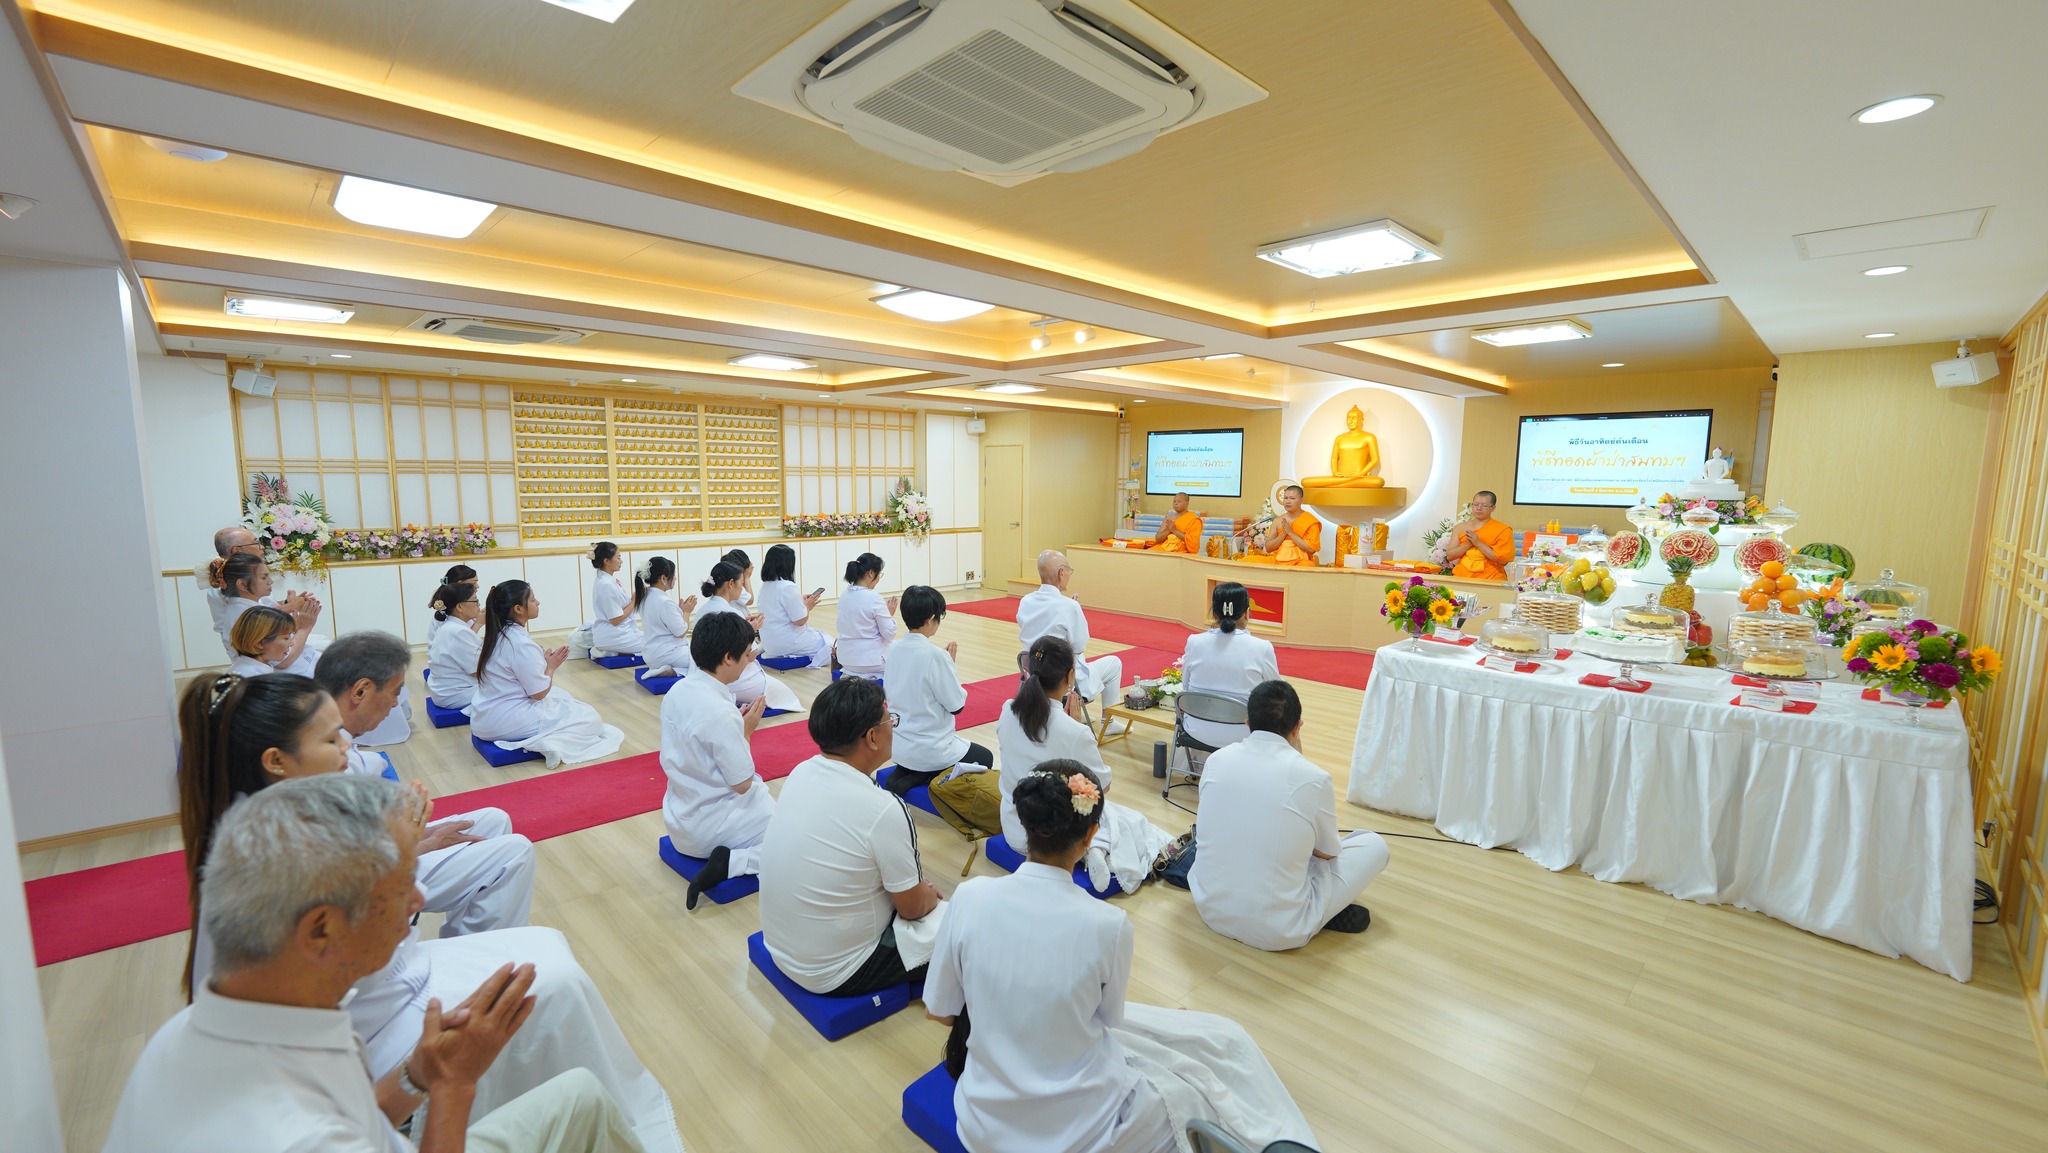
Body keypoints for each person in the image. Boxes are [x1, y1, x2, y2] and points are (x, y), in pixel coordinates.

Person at [169, 677, 681, 1150]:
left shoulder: (276, 829)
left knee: (549, 954)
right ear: (276, 760)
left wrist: (420, 1075)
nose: (348, 747)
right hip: (376, 1009)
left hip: (375, 999)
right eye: (331, 740)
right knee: (555, 988)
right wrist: (448, 1081)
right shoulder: (271, 866)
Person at [924, 763, 1319, 1153]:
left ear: (1026, 825)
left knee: (1196, 1046)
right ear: (1091, 835)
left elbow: (941, 1012)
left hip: (984, 1122)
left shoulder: (971, 896)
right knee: (1191, 1089)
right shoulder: (1107, 923)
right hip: (1078, 1131)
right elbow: (1110, 1021)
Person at [315, 630, 538, 938]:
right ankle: (488, 956)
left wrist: (422, 833)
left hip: (382, 851)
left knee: (491, 819)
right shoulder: (325, 757)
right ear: (361, 691)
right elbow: (344, 865)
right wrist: (422, 844)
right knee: (516, 851)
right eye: (395, 692)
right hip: (370, 883)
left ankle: (470, 940)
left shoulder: (336, 740)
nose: (395, 704)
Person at [758, 677, 945, 996]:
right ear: (872, 737)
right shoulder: (885, 809)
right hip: (836, 970)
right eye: (890, 720)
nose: (893, 727)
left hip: (781, 949)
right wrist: (926, 894)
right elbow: (912, 908)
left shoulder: (801, 771)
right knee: (968, 921)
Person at [1189, 680, 1388, 952]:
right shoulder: (1313, 778)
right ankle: (1323, 911)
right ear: (1298, 727)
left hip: (1210, 909)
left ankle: (1320, 906)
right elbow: (1328, 854)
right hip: (1278, 930)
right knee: (1372, 844)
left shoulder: (1215, 760)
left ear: (1248, 722)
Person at [996, 638, 1172, 894]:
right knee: (1127, 819)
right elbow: (1103, 786)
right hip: (1052, 841)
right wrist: (1078, 728)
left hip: (1014, 827)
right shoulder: (1072, 730)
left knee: (1096, 808)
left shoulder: (1006, 710)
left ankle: (1096, 851)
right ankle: (1095, 850)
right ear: (1070, 676)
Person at [659, 613, 772, 909]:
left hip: (679, 818)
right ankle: (732, 863)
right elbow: (742, 783)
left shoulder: (677, 691)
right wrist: (746, 731)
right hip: (715, 829)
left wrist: (740, 728)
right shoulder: (720, 712)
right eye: (746, 653)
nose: (749, 659)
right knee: (802, 837)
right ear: (728, 658)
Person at [882, 585, 1003, 839]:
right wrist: (950, 668)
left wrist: (946, 666)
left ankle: (911, 772)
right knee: (985, 757)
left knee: (939, 751)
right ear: (930, 620)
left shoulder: (892, 649)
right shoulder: (936, 656)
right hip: (931, 748)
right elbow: (956, 705)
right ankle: (927, 773)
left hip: (899, 745)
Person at [472, 580, 624, 767]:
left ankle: (548, 739)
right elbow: (538, 693)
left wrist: (542, 663)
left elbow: (513, 675)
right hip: (506, 720)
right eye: (533, 599)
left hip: (484, 717)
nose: (538, 603)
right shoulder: (519, 642)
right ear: (519, 609)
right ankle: (549, 744)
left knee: (563, 698)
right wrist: (551, 667)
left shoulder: (497, 636)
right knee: (590, 719)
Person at [1016, 550, 1123, 708]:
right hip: (1064, 681)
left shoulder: (1026, 601)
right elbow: (1079, 646)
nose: (1068, 575)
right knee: (1114, 663)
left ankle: (1072, 713)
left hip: (1034, 676)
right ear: (1061, 573)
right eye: (1068, 571)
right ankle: (1110, 722)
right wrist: (1075, 610)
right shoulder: (1069, 606)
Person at [1178, 582, 1277, 750]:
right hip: (1243, 732)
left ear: (1214, 614)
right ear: (1247, 613)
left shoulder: (1194, 642)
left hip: (1196, 728)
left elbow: (1186, 686)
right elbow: (1275, 694)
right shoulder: (1262, 647)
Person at [694, 561, 802, 713]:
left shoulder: (702, 610)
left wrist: (744, 627)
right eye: (742, 583)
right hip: (731, 678)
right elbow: (750, 656)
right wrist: (749, 631)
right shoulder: (733, 613)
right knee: (785, 695)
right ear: (731, 584)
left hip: (705, 676)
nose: (743, 588)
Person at [209, 552, 322, 667]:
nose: (270, 581)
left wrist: (289, 606)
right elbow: (283, 662)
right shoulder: (249, 616)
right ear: (242, 585)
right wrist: (304, 628)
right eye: (264, 577)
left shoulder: (244, 606)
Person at [756, 543, 835, 669]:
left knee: (821, 636)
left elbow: (778, 608)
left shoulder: (765, 586)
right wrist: (807, 607)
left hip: (769, 642)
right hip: (787, 642)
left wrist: (799, 600)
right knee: (831, 644)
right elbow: (800, 620)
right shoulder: (788, 586)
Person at [633, 556, 699, 678]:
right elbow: (681, 632)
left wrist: (680, 611)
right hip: (667, 653)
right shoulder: (664, 601)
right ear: (663, 578)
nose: (675, 578)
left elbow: (662, 623)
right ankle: (673, 670)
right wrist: (687, 613)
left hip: (650, 653)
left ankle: (670, 671)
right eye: (673, 576)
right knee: (706, 660)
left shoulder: (645, 595)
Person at [835, 552, 898, 679]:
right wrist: (889, 614)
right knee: (905, 652)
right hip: (871, 662)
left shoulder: (844, 595)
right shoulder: (874, 598)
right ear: (871, 573)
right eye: (879, 574)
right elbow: (889, 634)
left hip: (846, 659)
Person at [425, 581, 485, 710]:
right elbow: (478, 671)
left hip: (447, 691)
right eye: (475, 601)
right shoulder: (458, 631)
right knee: (513, 689)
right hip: (457, 694)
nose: (478, 605)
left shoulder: (451, 625)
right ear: (459, 607)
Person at [201, 524, 266, 642]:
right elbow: (257, 618)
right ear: (237, 550)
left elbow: (265, 606)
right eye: (255, 543)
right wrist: (291, 607)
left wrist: (289, 603)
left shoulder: (249, 574)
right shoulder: (224, 582)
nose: (261, 547)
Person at [1239, 484, 1322, 566]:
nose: (1288, 501)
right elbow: (1269, 548)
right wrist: (1283, 534)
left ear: (1301, 500)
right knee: (1246, 560)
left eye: (1292, 498)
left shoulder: (1310, 521)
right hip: (1277, 560)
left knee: (1306, 567)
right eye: (1285, 498)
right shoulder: (1278, 521)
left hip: (1300, 562)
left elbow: (1311, 549)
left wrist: (1290, 532)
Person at [586, 541, 643, 657]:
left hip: (613, 634)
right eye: (618, 558)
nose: (621, 561)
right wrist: (634, 600)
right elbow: (615, 619)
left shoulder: (606, 579)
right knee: (657, 645)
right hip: (615, 635)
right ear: (607, 561)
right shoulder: (606, 584)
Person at [225, 605, 314, 678]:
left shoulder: (253, 668)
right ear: (259, 643)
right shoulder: (251, 679)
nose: (292, 643)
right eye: (286, 638)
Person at [1447, 489, 1514, 580]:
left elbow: (1503, 561)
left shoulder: (1503, 530)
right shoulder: (1460, 527)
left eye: (1484, 505)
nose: (1479, 508)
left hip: (1491, 578)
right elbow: (1450, 556)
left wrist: (1478, 543)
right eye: (1476, 504)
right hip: (1462, 577)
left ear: (1493, 508)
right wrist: (1467, 545)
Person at [426, 564, 479, 644]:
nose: (478, 586)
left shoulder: (459, 608)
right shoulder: (447, 616)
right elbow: (464, 641)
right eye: (473, 583)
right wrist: (478, 623)